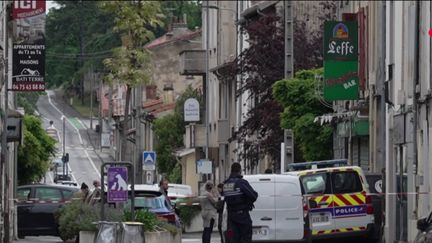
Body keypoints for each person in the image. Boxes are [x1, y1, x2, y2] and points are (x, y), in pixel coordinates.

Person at [223, 163, 258, 243]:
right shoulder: (241, 182)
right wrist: (247, 202)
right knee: (246, 238)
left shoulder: (226, 184)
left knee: (233, 239)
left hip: (231, 218)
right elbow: (253, 196)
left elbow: (225, 198)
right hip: (242, 216)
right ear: (239, 170)